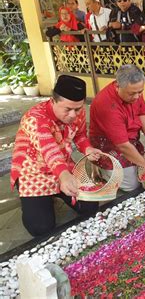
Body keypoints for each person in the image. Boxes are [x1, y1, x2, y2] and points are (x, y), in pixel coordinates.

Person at [10, 75, 101, 236]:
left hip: (64, 166)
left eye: (78, 109)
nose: (73, 114)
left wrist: (87, 149)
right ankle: (36, 199)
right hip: (34, 172)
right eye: (67, 109)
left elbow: (80, 135)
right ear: (53, 101)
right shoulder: (35, 118)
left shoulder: (76, 113)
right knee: (41, 228)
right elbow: (49, 150)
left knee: (90, 206)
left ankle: (55, 193)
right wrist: (64, 175)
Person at [89, 65, 145, 191]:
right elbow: (122, 145)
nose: (138, 97)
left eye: (140, 92)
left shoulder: (134, 90)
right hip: (108, 144)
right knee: (131, 185)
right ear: (117, 86)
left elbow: (142, 112)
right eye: (133, 93)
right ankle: (100, 167)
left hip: (129, 139)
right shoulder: (107, 105)